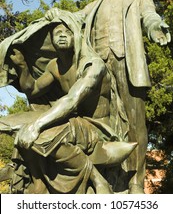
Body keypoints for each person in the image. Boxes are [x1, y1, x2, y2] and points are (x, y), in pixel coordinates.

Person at [45, 0, 171, 193]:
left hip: (127, 65)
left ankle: (135, 181)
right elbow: (75, 18)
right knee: (100, 122)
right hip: (98, 70)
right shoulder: (94, 5)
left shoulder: (140, 0)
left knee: (136, 126)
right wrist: (58, 12)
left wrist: (155, 28)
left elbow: (150, 16)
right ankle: (103, 179)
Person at [2, 18, 136, 194]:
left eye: (67, 32)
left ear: (77, 37)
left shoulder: (93, 65)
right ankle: (38, 184)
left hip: (97, 127)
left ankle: (96, 179)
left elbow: (72, 99)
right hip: (74, 121)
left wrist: (37, 125)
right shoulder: (54, 66)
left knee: (41, 134)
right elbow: (33, 90)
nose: (62, 36)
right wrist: (22, 66)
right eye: (57, 33)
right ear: (51, 40)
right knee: (9, 125)